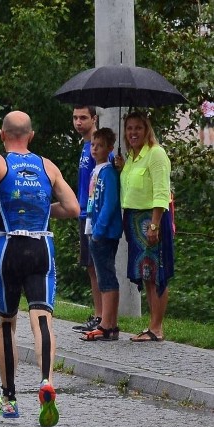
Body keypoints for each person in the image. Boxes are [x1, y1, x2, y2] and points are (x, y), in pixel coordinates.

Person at [0, 111, 79, 427]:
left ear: (2, 134)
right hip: (41, 247)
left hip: (7, 246)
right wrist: (44, 209)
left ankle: (8, 399)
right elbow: (73, 208)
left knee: (6, 324)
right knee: (42, 319)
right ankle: (46, 381)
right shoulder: (47, 166)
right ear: (30, 136)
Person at [114, 111, 174, 343]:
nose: (133, 133)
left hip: (151, 220)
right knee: (147, 274)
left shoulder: (156, 154)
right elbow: (132, 187)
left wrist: (155, 225)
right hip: (134, 220)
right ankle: (152, 326)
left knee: (156, 272)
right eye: (129, 128)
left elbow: (161, 191)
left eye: (138, 128)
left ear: (147, 129)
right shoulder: (132, 157)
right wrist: (121, 169)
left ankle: (157, 327)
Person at [80, 128, 123, 342]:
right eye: (93, 146)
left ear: (110, 149)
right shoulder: (97, 170)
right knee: (102, 275)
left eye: (100, 146)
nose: (95, 149)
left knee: (106, 277)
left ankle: (107, 325)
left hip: (103, 233)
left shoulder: (108, 172)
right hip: (93, 228)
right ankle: (109, 324)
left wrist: (98, 230)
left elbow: (110, 203)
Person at [70, 106, 103, 333]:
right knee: (90, 266)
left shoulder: (99, 147)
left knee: (98, 266)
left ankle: (103, 317)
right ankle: (98, 314)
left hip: (94, 213)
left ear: (94, 119)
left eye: (83, 118)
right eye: (75, 118)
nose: (78, 122)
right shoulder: (85, 146)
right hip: (83, 212)